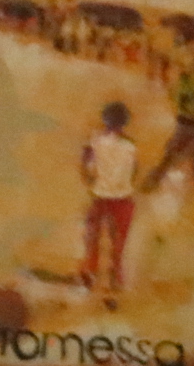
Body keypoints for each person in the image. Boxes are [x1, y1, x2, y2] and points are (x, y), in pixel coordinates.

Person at [80, 103, 139, 305]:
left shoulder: (94, 142)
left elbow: (86, 167)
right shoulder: (131, 146)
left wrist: (92, 181)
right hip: (123, 198)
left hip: (100, 196)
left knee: (93, 238)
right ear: (125, 123)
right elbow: (134, 171)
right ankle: (116, 277)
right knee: (118, 241)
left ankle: (90, 272)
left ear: (104, 120)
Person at [146, 59, 194, 202]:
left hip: (186, 123)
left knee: (178, 155)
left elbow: (175, 101)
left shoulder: (183, 83)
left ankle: (151, 183)